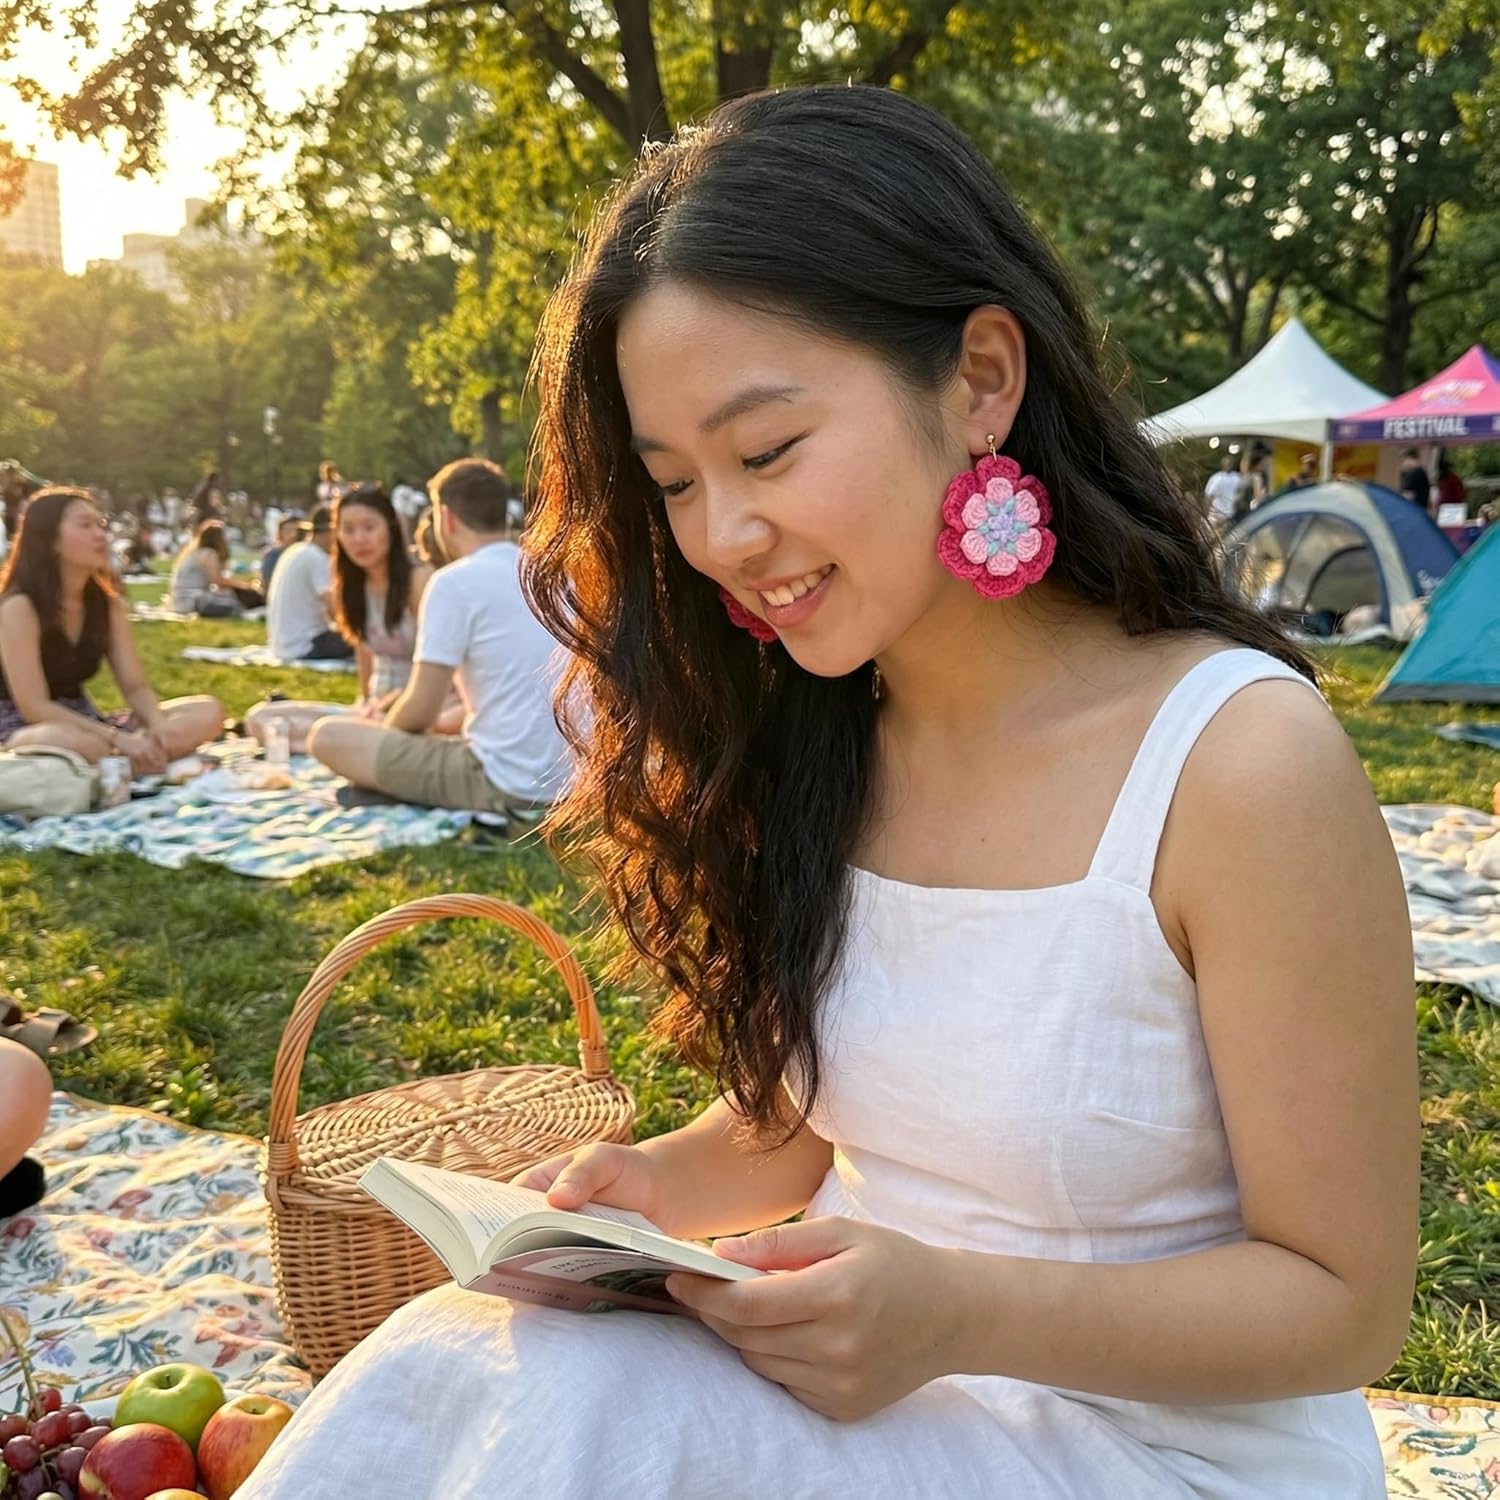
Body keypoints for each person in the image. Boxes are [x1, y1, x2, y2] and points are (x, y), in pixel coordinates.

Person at [243, 87, 1415, 1500]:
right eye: (673, 482)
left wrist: (961, 1315)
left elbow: (1347, 1300)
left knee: (573, 1417)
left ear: (981, 377)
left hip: (1163, 1457)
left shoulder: (1237, 765)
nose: (725, 537)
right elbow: (817, 1125)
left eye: (769, 452)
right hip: (877, 1407)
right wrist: (654, 1192)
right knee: (474, 1357)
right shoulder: (823, 731)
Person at [306, 460, 568, 819]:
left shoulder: (453, 582)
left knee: (326, 737)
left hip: (510, 783)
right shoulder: (558, 574)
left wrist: (387, 735)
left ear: (446, 518)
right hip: (574, 779)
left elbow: (420, 709)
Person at [0, 489, 224, 771]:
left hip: (89, 722)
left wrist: (157, 727)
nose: (100, 535)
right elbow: (34, 707)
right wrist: (119, 738)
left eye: (101, 525)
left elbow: (135, 686)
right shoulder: (19, 607)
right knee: (67, 741)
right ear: (50, 539)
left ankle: (124, 761)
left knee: (207, 710)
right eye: (85, 525)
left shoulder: (107, 605)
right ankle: (127, 760)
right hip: (28, 727)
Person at [246, 486, 450, 753]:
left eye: (369, 527)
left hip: (418, 713)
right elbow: (364, 653)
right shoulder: (351, 587)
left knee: (328, 736)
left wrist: (394, 707)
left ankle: (344, 746)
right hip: (372, 712)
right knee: (261, 719)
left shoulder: (417, 581)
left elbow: (444, 670)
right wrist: (364, 702)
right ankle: (344, 745)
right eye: (348, 530)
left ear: (390, 528)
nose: (359, 539)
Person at [264, 506, 354, 662]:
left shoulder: (295, 550)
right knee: (367, 639)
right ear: (331, 531)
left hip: (284, 645)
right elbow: (335, 611)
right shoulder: (316, 557)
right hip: (305, 645)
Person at [169, 520, 263, 616]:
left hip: (179, 600)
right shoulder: (209, 553)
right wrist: (245, 586)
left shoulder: (193, 552)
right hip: (193, 600)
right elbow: (218, 580)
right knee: (235, 606)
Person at [259, 515, 304, 594]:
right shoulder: (272, 555)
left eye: (295, 530)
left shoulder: (304, 554)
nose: (292, 535)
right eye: (288, 530)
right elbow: (267, 583)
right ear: (280, 532)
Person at [1202, 453, 1242, 529]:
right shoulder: (1238, 478)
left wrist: (1206, 515)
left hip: (1220, 516)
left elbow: (1209, 497)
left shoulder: (1217, 478)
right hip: (1230, 516)